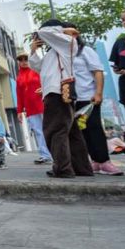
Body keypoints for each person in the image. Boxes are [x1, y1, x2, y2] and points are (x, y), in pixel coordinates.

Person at [30, 20, 93, 179]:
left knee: (55, 131)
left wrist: (63, 30)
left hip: (57, 93)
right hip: (55, 92)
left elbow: (45, 32)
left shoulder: (68, 42)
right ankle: (81, 168)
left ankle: (63, 168)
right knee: (71, 133)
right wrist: (33, 51)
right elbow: (39, 68)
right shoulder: (55, 50)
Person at [68, 22, 123, 175]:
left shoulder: (85, 51)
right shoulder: (64, 54)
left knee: (94, 128)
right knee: (82, 131)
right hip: (73, 99)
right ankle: (94, 161)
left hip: (88, 97)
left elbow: (97, 72)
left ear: (75, 35)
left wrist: (98, 93)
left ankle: (105, 161)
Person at [16, 52, 51, 164]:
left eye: (26, 59)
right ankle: (45, 155)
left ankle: (55, 154)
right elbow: (19, 95)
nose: (23, 62)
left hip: (43, 104)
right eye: (21, 60)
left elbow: (49, 82)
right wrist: (19, 111)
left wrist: (44, 88)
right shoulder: (19, 77)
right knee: (38, 131)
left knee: (49, 129)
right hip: (30, 108)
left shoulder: (37, 71)